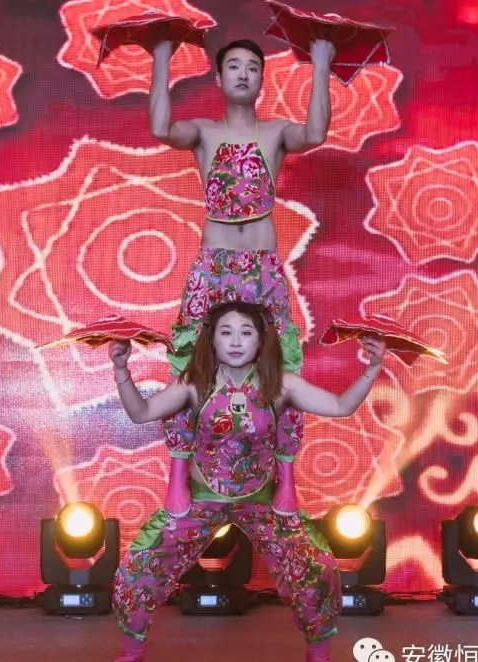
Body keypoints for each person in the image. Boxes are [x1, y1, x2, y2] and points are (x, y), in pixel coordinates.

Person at [94, 301, 386, 662]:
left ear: (260, 340)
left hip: (262, 500)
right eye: (226, 332)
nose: (235, 341)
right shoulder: (195, 382)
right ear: (212, 339)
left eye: (246, 332)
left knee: (319, 570)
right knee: (138, 567)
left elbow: (340, 406)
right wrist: (121, 370)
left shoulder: (279, 384)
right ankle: (130, 659)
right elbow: (142, 413)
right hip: (201, 499)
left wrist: (372, 368)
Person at [148, 36, 337, 522]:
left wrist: (319, 64)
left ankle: (286, 476)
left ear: (261, 80)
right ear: (218, 77)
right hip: (213, 264)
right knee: (187, 360)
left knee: (283, 364)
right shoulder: (204, 133)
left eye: (253, 67)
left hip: (262, 267)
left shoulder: (274, 133)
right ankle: (178, 471)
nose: (243, 73)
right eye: (233, 66)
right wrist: (162, 56)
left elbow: (316, 133)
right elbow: (160, 127)